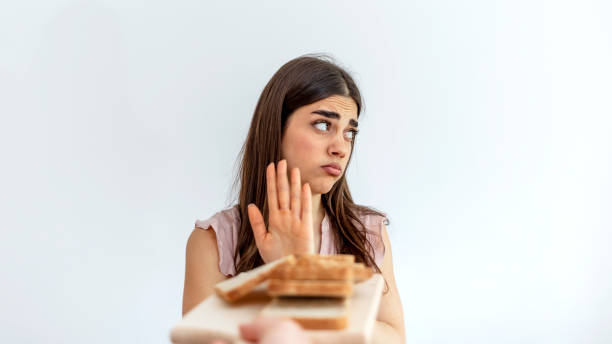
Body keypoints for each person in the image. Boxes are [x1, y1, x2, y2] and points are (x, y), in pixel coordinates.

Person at [182, 55, 405, 343]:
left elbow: (394, 337)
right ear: (276, 128)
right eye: (323, 125)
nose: (341, 147)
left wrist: (304, 281)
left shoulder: (368, 232)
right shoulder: (214, 241)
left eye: (350, 132)